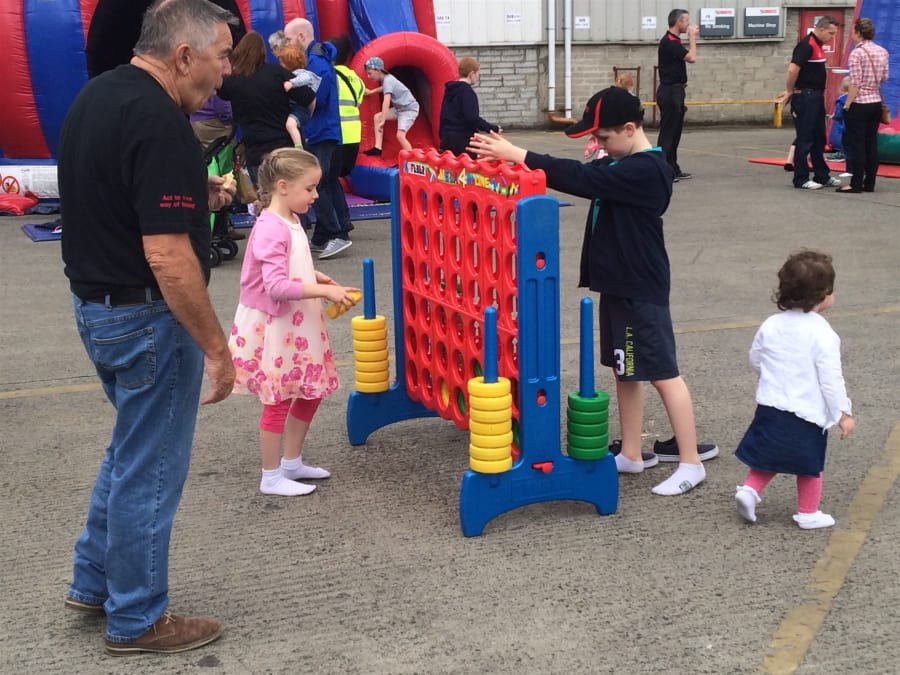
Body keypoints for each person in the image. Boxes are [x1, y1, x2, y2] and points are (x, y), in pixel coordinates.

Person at [57, 0, 237, 655]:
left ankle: (93, 580)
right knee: (152, 470)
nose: (225, 73)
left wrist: (195, 192)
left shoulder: (99, 95)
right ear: (183, 55)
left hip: (97, 307)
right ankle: (137, 618)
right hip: (146, 320)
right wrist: (216, 347)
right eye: (221, 57)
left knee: (129, 452)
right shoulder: (160, 121)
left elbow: (115, 190)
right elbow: (167, 255)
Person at [468, 87, 712, 496]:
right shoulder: (622, 162)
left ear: (630, 129)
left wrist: (519, 154)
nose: (599, 146)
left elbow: (582, 179)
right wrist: (520, 156)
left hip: (640, 289)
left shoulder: (647, 170)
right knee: (624, 368)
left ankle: (690, 461)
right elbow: (584, 170)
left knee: (662, 374)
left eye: (603, 138)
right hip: (618, 285)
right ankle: (631, 453)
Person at [228, 148, 359, 496]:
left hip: (297, 324)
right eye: (310, 188)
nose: (316, 195)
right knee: (279, 400)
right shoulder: (271, 227)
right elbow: (275, 286)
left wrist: (316, 276)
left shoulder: (291, 219)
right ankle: (271, 476)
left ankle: (291, 462)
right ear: (283, 186)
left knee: (310, 392)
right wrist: (323, 290)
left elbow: (291, 265)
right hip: (278, 327)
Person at [734, 251, 854, 529]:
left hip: (770, 406)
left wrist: (769, 377)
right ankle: (808, 513)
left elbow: (756, 358)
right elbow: (830, 379)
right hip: (805, 412)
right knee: (810, 465)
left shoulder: (771, 324)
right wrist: (843, 413)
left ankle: (749, 490)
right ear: (824, 294)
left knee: (768, 456)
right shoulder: (823, 333)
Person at [283, 17, 353, 260]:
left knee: (316, 183)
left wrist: (293, 94)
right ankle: (327, 233)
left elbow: (317, 99)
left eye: (289, 39)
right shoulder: (320, 60)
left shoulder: (316, 63)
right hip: (325, 130)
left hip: (320, 131)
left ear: (302, 36)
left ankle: (336, 233)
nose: (288, 44)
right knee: (327, 181)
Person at [218, 32, 315, 186]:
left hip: (255, 152)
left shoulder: (234, 81)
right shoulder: (276, 73)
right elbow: (308, 96)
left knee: (264, 195)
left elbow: (218, 89)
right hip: (283, 148)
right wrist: (300, 117)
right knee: (291, 195)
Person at [776, 16, 842, 190]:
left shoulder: (818, 45)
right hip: (806, 96)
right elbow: (793, 69)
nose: (832, 37)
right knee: (805, 138)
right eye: (831, 33)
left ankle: (822, 175)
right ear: (821, 29)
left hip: (816, 96)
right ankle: (801, 178)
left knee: (819, 138)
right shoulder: (806, 45)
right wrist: (790, 90)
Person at [838, 17, 890, 194]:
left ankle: (856, 183)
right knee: (871, 143)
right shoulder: (882, 51)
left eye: (853, 31)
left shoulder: (857, 53)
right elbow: (884, 77)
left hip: (859, 103)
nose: (852, 34)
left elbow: (855, 83)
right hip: (875, 102)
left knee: (857, 144)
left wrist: (847, 104)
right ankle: (870, 183)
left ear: (859, 33)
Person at [657, 9, 698, 182]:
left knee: (675, 132)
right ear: (678, 22)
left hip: (677, 90)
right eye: (686, 21)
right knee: (668, 133)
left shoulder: (675, 41)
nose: (688, 24)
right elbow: (692, 58)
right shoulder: (669, 42)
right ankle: (662, 170)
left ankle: (673, 167)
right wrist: (692, 38)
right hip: (669, 92)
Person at [439, 56, 501, 158]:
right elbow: (472, 118)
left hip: (446, 139)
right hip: (463, 141)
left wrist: (442, 136)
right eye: (477, 73)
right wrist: (492, 128)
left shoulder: (449, 91)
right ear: (471, 74)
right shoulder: (467, 92)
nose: (478, 77)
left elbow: (443, 115)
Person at [362, 56, 420, 156]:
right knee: (377, 117)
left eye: (370, 73)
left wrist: (383, 120)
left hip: (409, 110)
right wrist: (371, 92)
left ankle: (412, 160)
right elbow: (384, 88)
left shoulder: (388, 80)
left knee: (400, 136)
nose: (369, 76)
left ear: (378, 70)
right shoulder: (386, 80)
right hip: (399, 109)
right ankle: (377, 148)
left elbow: (386, 101)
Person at [329, 34, 365, 180]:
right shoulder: (356, 78)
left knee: (329, 177)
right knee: (338, 176)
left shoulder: (330, 76)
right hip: (354, 134)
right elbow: (358, 102)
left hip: (336, 134)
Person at [278, 45, 321, 147]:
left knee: (290, 125)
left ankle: (298, 147)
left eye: (282, 62)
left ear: (290, 63)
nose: (280, 65)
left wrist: (291, 83)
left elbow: (305, 78)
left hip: (301, 108)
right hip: (296, 107)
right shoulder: (291, 74)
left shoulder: (301, 73)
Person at [827, 77, 850, 161]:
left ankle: (843, 154)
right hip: (856, 125)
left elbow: (839, 113)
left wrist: (834, 116)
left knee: (845, 141)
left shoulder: (841, 99)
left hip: (844, 125)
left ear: (842, 88)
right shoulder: (856, 97)